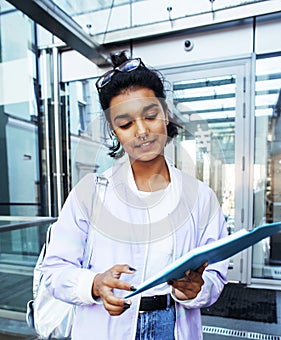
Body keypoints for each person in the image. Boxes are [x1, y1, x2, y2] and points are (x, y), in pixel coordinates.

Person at [42, 51, 229, 340]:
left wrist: (197, 290)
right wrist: (94, 284)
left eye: (151, 115)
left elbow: (215, 275)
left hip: (174, 325)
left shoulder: (200, 197)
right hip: (107, 325)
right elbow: (53, 270)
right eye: (126, 124)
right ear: (114, 131)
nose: (141, 131)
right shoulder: (90, 193)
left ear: (166, 114)